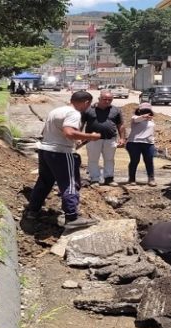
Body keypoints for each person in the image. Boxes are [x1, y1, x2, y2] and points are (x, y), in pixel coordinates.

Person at [24, 91, 102, 230]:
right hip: (61, 153)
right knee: (70, 183)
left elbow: (46, 132)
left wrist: (76, 140)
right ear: (86, 102)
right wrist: (91, 136)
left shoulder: (56, 111)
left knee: (44, 182)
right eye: (88, 105)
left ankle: (32, 211)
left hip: (46, 150)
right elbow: (69, 132)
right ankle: (72, 217)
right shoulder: (74, 113)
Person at [82, 90, 125, 187]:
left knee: (109, 159)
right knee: (93, 159)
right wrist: (80, 136)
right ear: (99, 99)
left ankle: (109, 178)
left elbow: (121, 125)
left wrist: (122, 138)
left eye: (110, 100)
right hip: (92, 139)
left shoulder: (116, 110)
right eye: (105, 99)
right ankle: (94, 179)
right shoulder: (89, 109)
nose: (107, 101)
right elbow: (81, 123)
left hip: (110, 139)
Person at [126, 102, 156, 186]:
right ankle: (132, 179)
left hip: (148, 143)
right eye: (144, 110)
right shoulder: (135, 118)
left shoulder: (151, 120)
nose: (146, 112)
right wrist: (144, 117)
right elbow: (137, 119)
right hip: (134, 143)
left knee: (149, 161)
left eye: (147, 110)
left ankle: (151, 179)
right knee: (135, 161)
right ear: (139, 110)